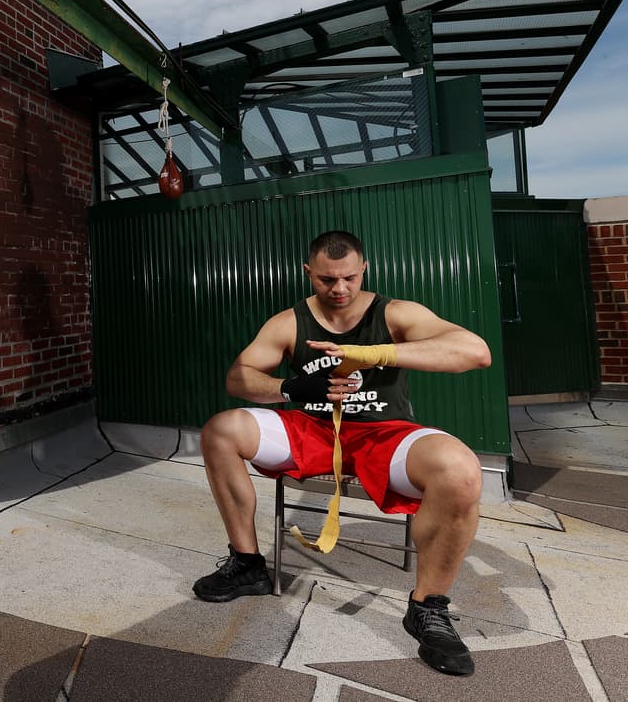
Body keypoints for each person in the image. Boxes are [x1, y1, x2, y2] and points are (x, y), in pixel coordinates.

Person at [195, 230, 491, 676]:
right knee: (221, 429)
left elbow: (476, 352)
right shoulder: (290, 322)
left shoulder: (394, 313)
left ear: (363, 269)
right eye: (327, 280)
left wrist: (377, 353)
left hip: (384, 433)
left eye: (349, 278)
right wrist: (289, 386)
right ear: (308, 273)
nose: (339, 289)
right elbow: (238, 377)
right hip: (312, 428)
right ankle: (248, 564)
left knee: (461, 470)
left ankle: (427, 607)